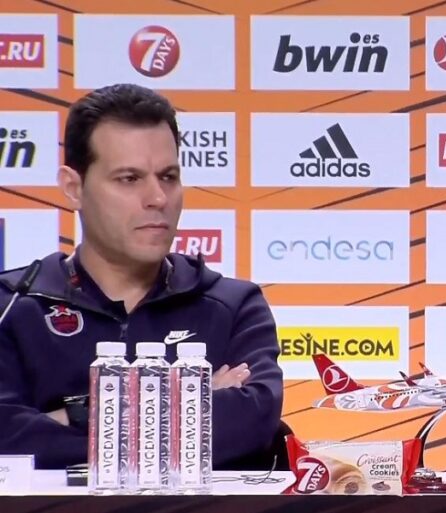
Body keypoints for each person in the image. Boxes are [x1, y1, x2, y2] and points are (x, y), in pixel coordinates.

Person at [0, 83, 284, 470]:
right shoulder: (12, 305)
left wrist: (68, 418)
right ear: (73, 188)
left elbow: (248, 426)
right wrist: (190, 402)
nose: (158, 198)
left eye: (168, 176)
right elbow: (8, 439)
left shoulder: (234, 306)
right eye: (129, 178)